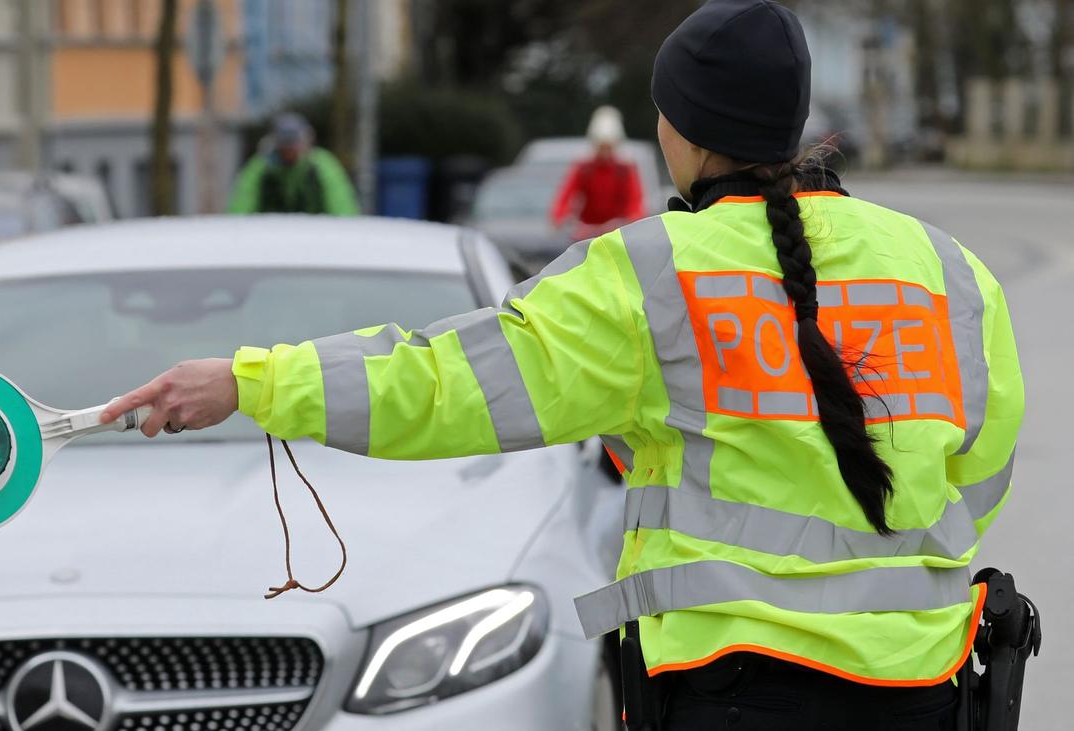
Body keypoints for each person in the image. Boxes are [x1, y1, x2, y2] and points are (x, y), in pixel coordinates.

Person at [102, 1, 1022, 728]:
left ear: (685, 131)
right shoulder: (949, 269)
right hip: (926, 687)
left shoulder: (651, 275)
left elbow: (443, 384)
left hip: (735, 690)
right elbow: (980, 470)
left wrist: (252, 382)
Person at [227, 113, 360, 215]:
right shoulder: (262, 168)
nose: (290, 149)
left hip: (316, 234)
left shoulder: (321, 166)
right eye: (285, 143)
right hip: (270, 233)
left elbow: (341, 204)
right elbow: (242, 203)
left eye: (294, 142)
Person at [549, 106, 646, 240]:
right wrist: (559, 216)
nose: (605, 152)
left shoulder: (624, 171)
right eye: (602, 147)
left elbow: (635, 201)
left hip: (618, 234)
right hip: (587, 235)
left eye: (608, 147)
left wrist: (633, 220)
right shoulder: (584, 169)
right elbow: (566, 195)